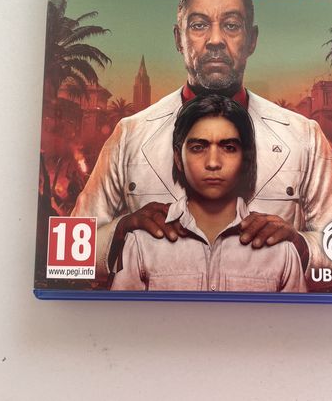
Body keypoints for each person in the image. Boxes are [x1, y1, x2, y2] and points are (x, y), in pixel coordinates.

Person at [72, 0, 332, 288]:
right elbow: (68, 256)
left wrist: (300, 247)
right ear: (178, 38)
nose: (214, 40)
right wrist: (120, 232)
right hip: (159, 318)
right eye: (199, 25)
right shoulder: (130, 134)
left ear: (252, 39)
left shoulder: (303, 136)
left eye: (231, 25)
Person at [111, 95, 306, 292]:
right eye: (198, 148)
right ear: (178, 158)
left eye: (229, 148)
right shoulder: (142, 243)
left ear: (246, 160)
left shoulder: (281, 250)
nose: (213, 163)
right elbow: (123, 311)